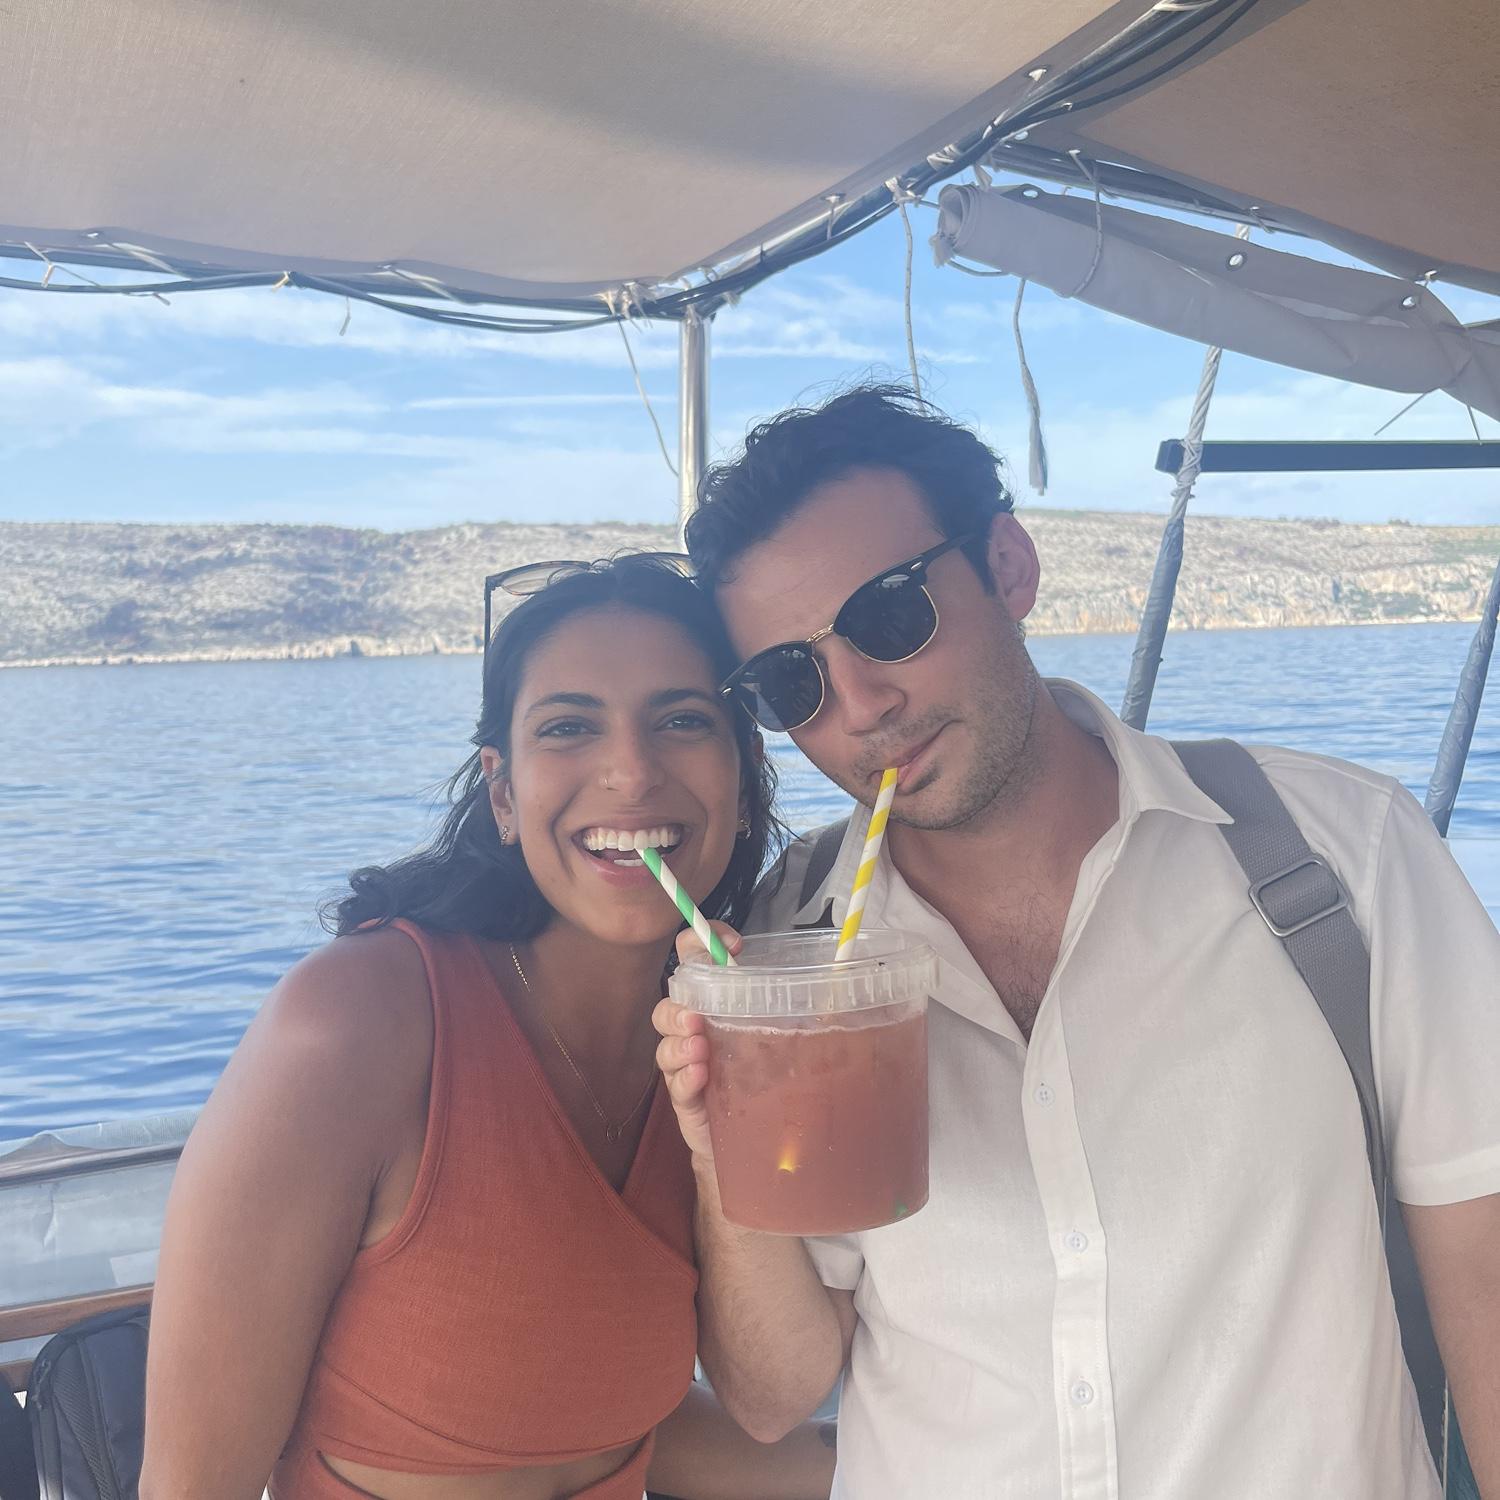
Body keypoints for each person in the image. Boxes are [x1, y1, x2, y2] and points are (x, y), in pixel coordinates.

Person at [654, 386, 1500, 1500]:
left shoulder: (1343, 859)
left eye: (890, 618)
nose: (859, 705)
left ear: (1009, 567)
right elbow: (776, 1395)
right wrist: (718, 1144)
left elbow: (1486, 1280)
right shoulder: (786, 950)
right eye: (789, 682)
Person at [141, 556, 836, 1500]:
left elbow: (617, 1418)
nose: (631, 771)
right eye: (569, 726)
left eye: (681, 720)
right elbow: (190, 1485)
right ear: (504, 796)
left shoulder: (728, 1028)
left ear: (745, 780)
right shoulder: (356, 1024)